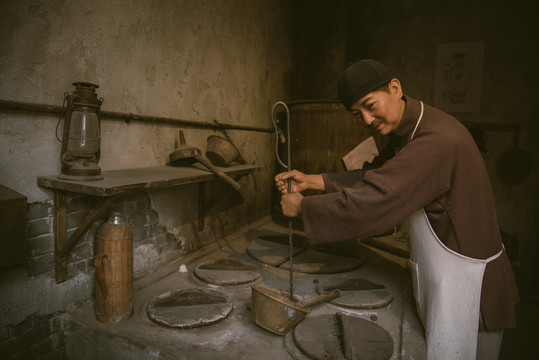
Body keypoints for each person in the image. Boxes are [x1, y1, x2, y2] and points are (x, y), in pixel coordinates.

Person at [275, 59, 519, 359]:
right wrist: (314, 181)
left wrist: (304, 208)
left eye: (370, 105)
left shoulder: (436, 140)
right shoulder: (412, 130)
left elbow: (378, 200)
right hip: (448, 277)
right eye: (356, 114)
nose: (366, 120)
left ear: (395, 88)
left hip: (470, 289)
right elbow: (380, 175)